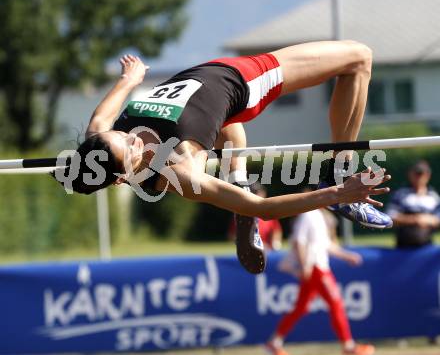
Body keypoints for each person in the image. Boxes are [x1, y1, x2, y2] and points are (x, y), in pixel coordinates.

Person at [54, 41, 392, 274]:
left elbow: (113, 104)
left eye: (122, 137)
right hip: (246, 80)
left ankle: (239, 177)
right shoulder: (182, 171)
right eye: (128, 154)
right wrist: (337, 194)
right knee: (359, 58)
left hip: (208, 75)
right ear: (121, 178)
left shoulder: (98, 138)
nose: (133, 142)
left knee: (230, 133)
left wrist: (131, 78)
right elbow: (261, 207)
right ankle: (337, 170)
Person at [265, 207, 375, 355]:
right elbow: (299, 241)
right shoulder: (309, 214)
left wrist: (347, 256)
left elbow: (326, 245)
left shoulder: (319, 216)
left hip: (317, 267)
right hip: (316, 268)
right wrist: (304, 266)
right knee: (336, 303)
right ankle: (348, 346)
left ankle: (274, 342)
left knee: (300, 307)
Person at [387, 160, 440, 248]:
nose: (419, 177)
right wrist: (414, 219)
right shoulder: (400, 194)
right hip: (403, 245)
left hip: (427, 245)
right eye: (416, 173)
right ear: (410, 174)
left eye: (422, 174)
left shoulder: (434, 196)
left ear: (428, 175)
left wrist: (426, 219)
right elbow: (390, 217)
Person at [228, 181, 283, 251]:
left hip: (268, 250)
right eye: (255, 192)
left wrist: (275, 243)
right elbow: (232, 235)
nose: (259, 195)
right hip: (249, 250)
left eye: (260, 192)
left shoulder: (269, 213)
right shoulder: (241, 214)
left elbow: (276, 231)